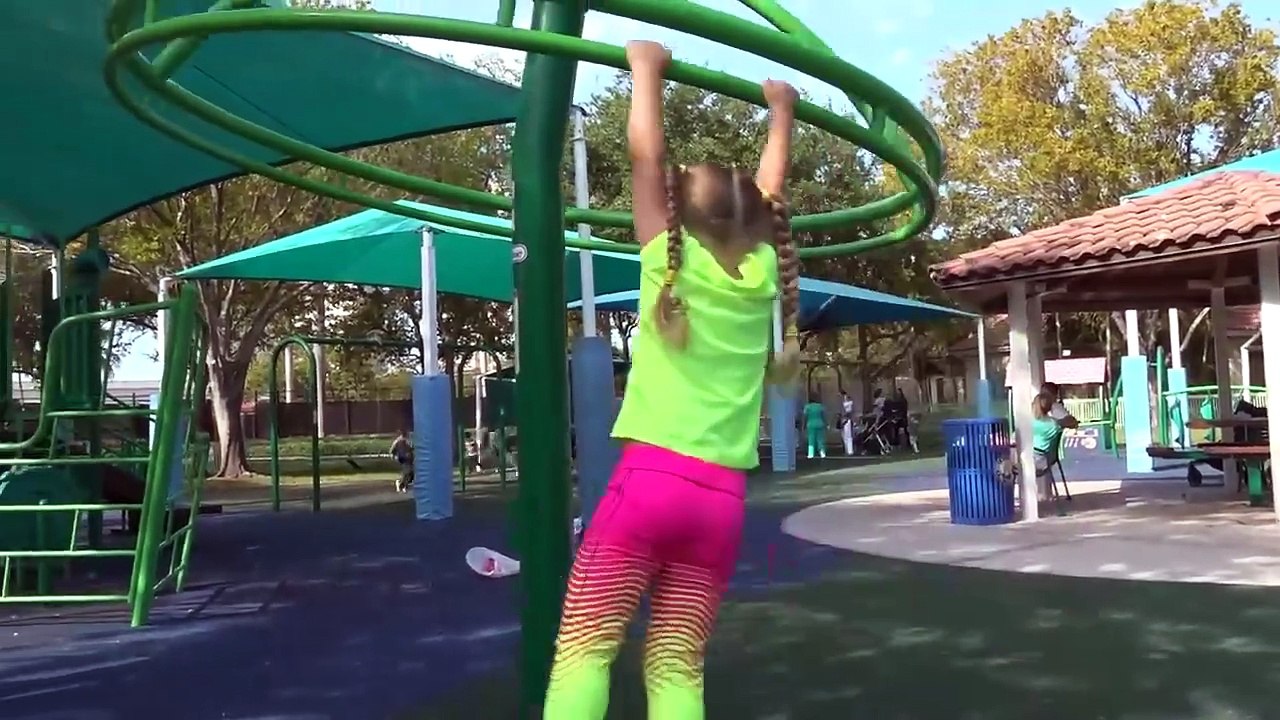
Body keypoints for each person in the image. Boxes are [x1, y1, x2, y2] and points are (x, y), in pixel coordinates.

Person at [542, 40, 801, 720]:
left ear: (681, 220)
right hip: (720, 503)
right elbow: (768, 196)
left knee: (585, 649)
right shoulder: (765, 281)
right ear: (756, 230)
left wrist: (645, 72)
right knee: (676, 662)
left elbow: (646, 160)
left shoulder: (669, 263)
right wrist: (781, 113)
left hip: (648, 488)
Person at [389, 429, 413, 493]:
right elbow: (392, 450)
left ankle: (403, 484)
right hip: (403, 458)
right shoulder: (399, 441)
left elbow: (411, 448)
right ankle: (401, 484)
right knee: (407, 472)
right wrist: (394, 456)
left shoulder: (407, 440)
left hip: (409, 458)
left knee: (410, 473)